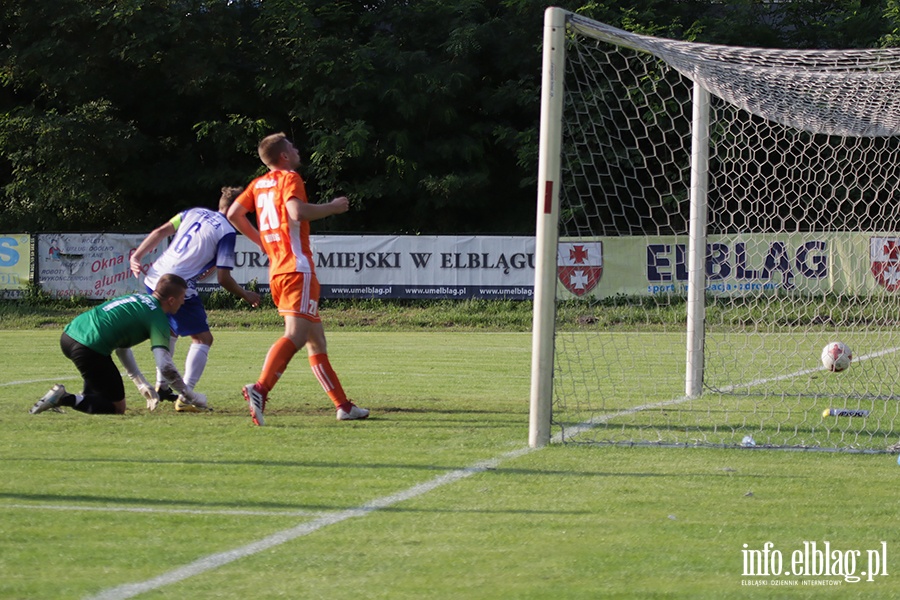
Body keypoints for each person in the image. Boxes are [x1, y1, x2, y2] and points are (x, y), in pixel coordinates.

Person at [227, 132, 369, 426]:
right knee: (296, 335)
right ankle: (260, 389)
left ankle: (343, 405)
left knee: (315, 340)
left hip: (278, 269)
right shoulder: (289, 177)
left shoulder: (258, 184)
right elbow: (296, 211)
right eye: (292, 146)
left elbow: (234, 213)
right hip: (297, 268)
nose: (296, 149)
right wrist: (332, 207)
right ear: (284, 156)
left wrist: (262, 243)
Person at [127, 187, 261, 412]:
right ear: (240, 210)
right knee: (202, 339)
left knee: (170, 331)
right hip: (178, 285)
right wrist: (246, 294)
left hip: (154, 278)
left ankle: (162, 387)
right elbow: (223, 278)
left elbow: (161, 231)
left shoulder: (193, 212)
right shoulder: (227, 231)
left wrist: (137, 255)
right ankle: (187, 396)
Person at [29, 274, 207, 416]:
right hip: (89, 348)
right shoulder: (158, 319)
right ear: (171, 300)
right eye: (182, 297)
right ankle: (63, 398)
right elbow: (165, 366)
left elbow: (122, 345)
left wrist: (141, 383)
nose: (184, 302)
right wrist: (191, 396)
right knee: (116, 407)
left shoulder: (138, 299)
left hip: (70, 335)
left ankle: (72, 399)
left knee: (96, 395)